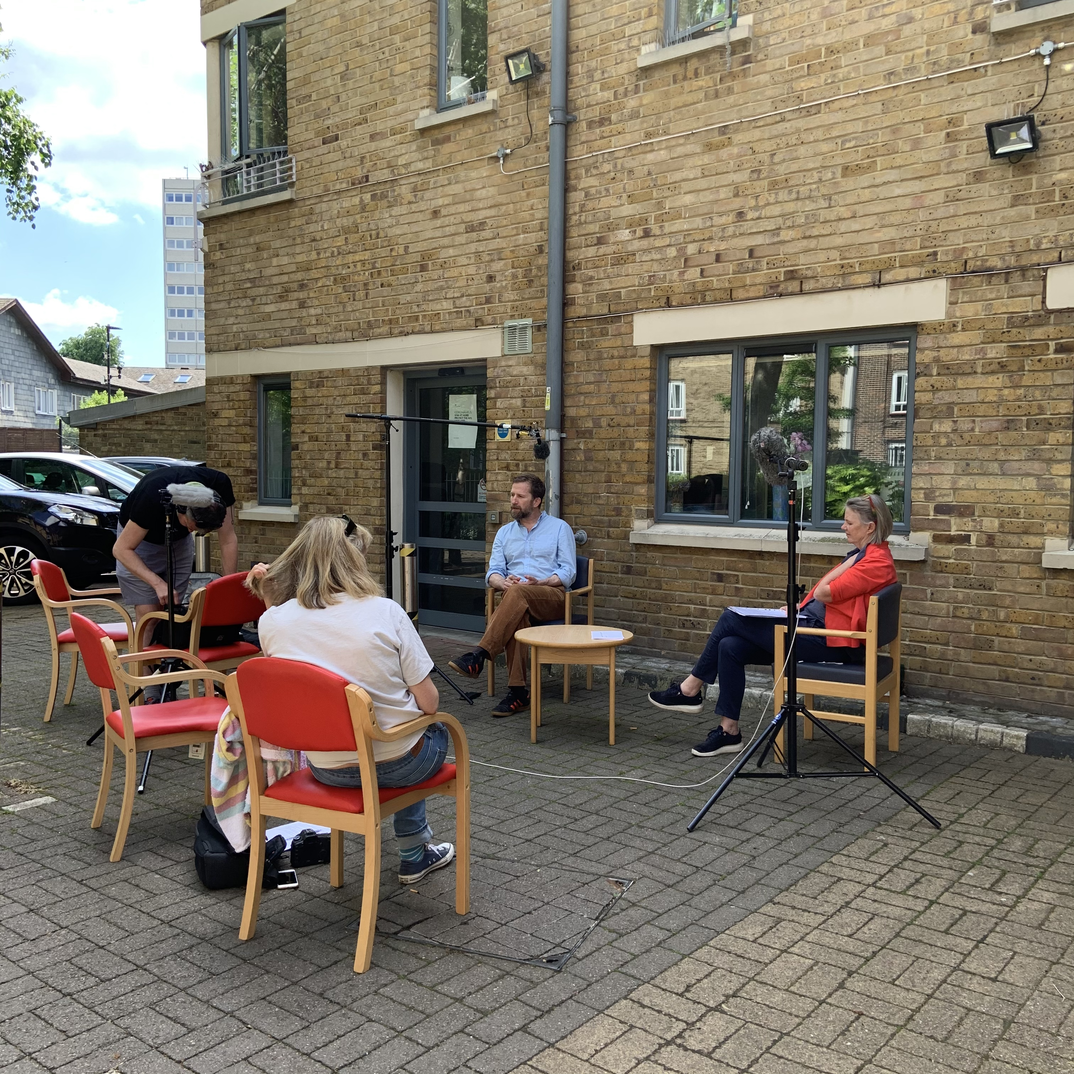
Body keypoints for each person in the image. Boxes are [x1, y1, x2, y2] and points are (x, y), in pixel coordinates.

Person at [245, 516, 455, 885]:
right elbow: (430, 702)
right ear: (354, 559)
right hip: (396, 763)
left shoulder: (272, 621)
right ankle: (413, 853)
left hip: (325, 766)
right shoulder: (385, 611)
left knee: (401, 734)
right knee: (431, 729)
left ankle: (411, 851)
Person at [649, 494, 898, 758]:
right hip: (811, 627)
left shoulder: (875, 562)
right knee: (729, 645)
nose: (842, 527)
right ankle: (728, 732)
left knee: (731, 619)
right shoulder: (867, 554)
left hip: (833, 641)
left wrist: (848, 563)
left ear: (870, 527)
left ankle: (690, 689)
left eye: (848, 522)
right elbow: (825, 597)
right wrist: (799, 608)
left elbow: (825, 592)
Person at [449, 473, 576, 718]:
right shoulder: (505, 533)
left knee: (517, 596)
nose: (513, 500)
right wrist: (502, 582)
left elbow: (568, 571)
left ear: (536, 501)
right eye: (512, 495)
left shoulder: (560, 528)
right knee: (517, 614)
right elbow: (493, 573)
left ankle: (480, 654)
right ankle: (518, 693)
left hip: (551, 596)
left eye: (520, 496)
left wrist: (543, 581)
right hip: (515, 599)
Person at [113, 463, 238, 624]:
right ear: (180, 509)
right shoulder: (152, 494)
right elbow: (121, 549)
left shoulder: (220, 484)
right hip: (139, 543)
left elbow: (227, 540)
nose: (193, 533)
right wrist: (158, 584)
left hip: (178, 543)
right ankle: (145, 648)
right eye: (190, 527)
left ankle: (172, 648)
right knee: (150, 614)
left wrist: (229, 586)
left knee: (174, 611)